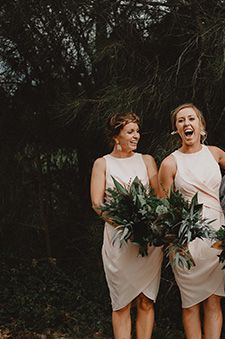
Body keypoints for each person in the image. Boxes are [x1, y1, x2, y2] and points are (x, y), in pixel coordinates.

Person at [158, 103, 225, 339]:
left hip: (216, 237)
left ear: (201, 125)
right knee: (190, 302)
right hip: (185, 242)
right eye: (181, 120)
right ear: (176, 129)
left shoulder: (215, 153)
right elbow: (164, 210)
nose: (186, 123)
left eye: (191, 118)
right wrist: (177, 242)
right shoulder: (169, 163)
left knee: (213, 300)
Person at [90, 112, 163, 339]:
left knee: (146, 300)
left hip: (147, 243)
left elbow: (158, 197)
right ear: (116, 136)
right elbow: (97, 204)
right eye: (130, 132)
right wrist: (127, 226)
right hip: (119, 242)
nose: (136, 136)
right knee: (121, 303)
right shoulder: (102, 163)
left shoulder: (147, 160)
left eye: (137, 131)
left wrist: (147, 225)